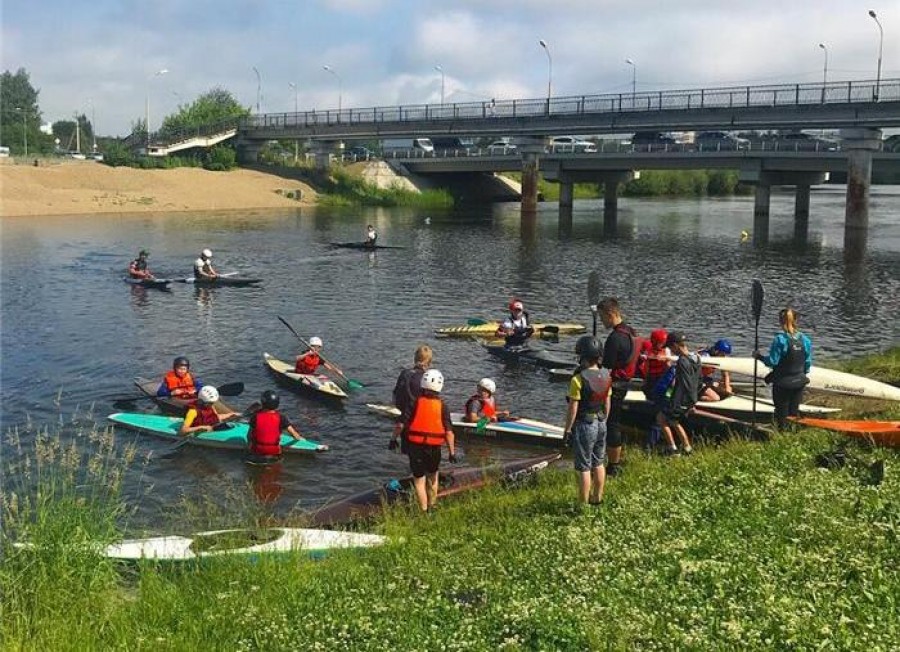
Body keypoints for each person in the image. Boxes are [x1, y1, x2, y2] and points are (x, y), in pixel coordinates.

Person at [396, 369, 457, 513]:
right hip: (434, 448)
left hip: (415, 447)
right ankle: (432, 506)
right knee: (433, 476)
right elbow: (449, 433)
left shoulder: (414, 403)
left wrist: (393, 439)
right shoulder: (443, 406)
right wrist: (452, 452)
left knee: (419, 479)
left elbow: (400, 424)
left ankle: (423, 511)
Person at [563, 335, 612, 505]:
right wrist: (605, 419)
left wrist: (568, 430)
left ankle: (582, 504)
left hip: (585, 424)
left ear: (583, 356)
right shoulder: (607, 375)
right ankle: (597, 498)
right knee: (598, 462)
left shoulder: (578, 379)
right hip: (601, 422)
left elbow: (573, 407)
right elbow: (607, 402)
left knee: (584, 466)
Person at [597, 297, 641, 476]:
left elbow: (607, 365)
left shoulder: (615, 337)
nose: (601, 321)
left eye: (602, 317)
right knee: (615, 422)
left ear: (610, 314)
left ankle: (613, 465)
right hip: (625, 383)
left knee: (611, 423)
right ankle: (615, 460)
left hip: (614, 385)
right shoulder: (630, 331)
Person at [754, 308, 812, 428]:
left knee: (782, 414)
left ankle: (782, 435)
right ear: (796, 320)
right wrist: (800, 375)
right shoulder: (805, 340)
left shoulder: (780, 340)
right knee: (793, 412)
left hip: (783, 384)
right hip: (799, 382)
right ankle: (792, 435)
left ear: (780, 321)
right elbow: (807, 363)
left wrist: (759, 356)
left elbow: (772, 362)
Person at [654, 332, 701, 455]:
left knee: (661, 419)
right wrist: (693, 400)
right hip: (691, 398)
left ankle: (673, 449)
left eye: (670, 348)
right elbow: (698, 381)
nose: (671, 351)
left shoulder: (682, 361)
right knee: (674, 421)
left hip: (680, 399)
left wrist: (677, 399)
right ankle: (686, 448)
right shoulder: (696, 358)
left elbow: (684, 383)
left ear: (675, 345)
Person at [390, 345, 433, 453]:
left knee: (411, 457)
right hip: (420, 423)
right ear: (429, 362)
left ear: (415, 358)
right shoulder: (426, 377)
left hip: (404, 419)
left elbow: (395, 395)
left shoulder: (404, 373)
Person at [246, 390, 305, 462]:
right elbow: (294, 434)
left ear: (262, 402)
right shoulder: (281, 417)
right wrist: (302, 440)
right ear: (277, 404)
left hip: (257, 452)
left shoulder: (255, 417)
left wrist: (248, 447)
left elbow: (249, 435)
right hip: (274, 453)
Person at [639, 329, 673, 451]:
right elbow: (647, 369)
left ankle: (652, 441)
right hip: (655, 383)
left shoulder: (666, 351)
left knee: (658, 413)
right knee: (656, 413)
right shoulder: (649, 352)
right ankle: (652, 441)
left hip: (662, 382)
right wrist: (646, 382)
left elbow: (669, 366)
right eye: (662, 342)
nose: (664, 344)